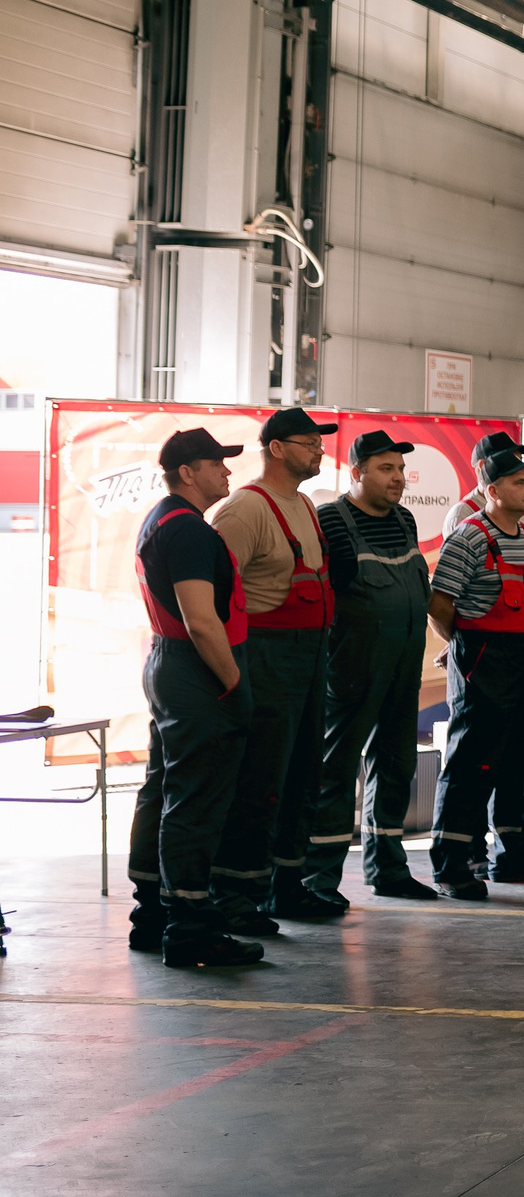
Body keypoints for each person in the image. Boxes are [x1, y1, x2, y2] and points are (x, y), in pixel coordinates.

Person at [126, 428, 265, 969]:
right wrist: (232, 683)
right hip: (197, 670)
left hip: (169, 663)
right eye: (217, 463)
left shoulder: (162, 518)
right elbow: (202, 620)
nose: (227, 472)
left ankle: (153, 916)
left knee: (164, 789)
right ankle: (190, 927)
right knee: (195, 800)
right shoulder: (187, 532)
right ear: (188, 472)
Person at [205, 406, 341, 927]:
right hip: (266, 658)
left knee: (303, 774)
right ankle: (236, 897)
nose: (319, 450)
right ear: (277, 448)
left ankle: (287, 885)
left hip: (310, 658)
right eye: (308, 442)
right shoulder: (245, 510)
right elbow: (214, 597)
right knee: (260, 779)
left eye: (319, 443)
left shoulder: (304, 504)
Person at [426, 449, 524, 897]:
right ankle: (452, 864)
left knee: (518, 759)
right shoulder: (468, 537)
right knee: (471, 761)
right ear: (492, 491)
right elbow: (440, 606)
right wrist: (467, 646)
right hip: (484, 658)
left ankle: (514, 851)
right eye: (519, 483)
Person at [309, 429, 436, 901]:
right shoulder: (331, 521)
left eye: (401, 469)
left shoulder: (404, 520)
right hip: (353, 668)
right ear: (357, 472)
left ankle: (389, 868)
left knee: (397, 764)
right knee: (336, 770)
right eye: (387, 469)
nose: (398, 478)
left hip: (404, 666)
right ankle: (317, 877)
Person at [442, 431, 524, 539]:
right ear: (482, 466)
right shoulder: (463, 514)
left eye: (519, 460)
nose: (518, 466)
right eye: (509, 460)